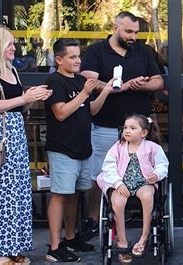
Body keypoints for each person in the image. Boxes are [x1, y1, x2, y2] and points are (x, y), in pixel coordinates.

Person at [80, 11, 164, 240]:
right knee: (100, 175)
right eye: (128, 31)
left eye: (136, 32)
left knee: (142, 169)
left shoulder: (143, 52)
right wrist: (119, 86)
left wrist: (141, 85)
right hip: (106, 126)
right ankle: (93, 219)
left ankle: (137, 213)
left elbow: (158, 81)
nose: (133, 36)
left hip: (138, 130)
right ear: (115, 27)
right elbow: (89, 81)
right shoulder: (97, 51)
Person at [0, 24, 51, 265]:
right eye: (10, 43)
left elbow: (17, 106)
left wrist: (32, 98)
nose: (14, 47)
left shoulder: (11, 70)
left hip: (15, 134)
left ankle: (16, 248)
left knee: (17, 193)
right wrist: (24, 97)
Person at [43, 39, 114, 262]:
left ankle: (70, 239)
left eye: (79, 56)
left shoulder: (80, 81)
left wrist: (105, 91)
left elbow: (89, 110)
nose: (78, 60)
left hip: (83, 148)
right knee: (60, 195)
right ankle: (54, 248)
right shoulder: (54, 81)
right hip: (63, 149)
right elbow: (61, 113)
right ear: (59, 59)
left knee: (74, 195)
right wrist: (84, 93)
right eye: (72, 57)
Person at [97, 114, 168, 263]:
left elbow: (162, 164)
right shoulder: (117, 147)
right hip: (122, 183)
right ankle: (122, 241)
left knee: (148, 196)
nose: (127, 131)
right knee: (117, 201)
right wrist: (118, 183)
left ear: (144, 133)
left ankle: (144, 237)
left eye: (132, 128)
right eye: (125, 127)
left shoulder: (152, 147)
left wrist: (156, 174)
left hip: (144, 182)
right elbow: (108, 167)